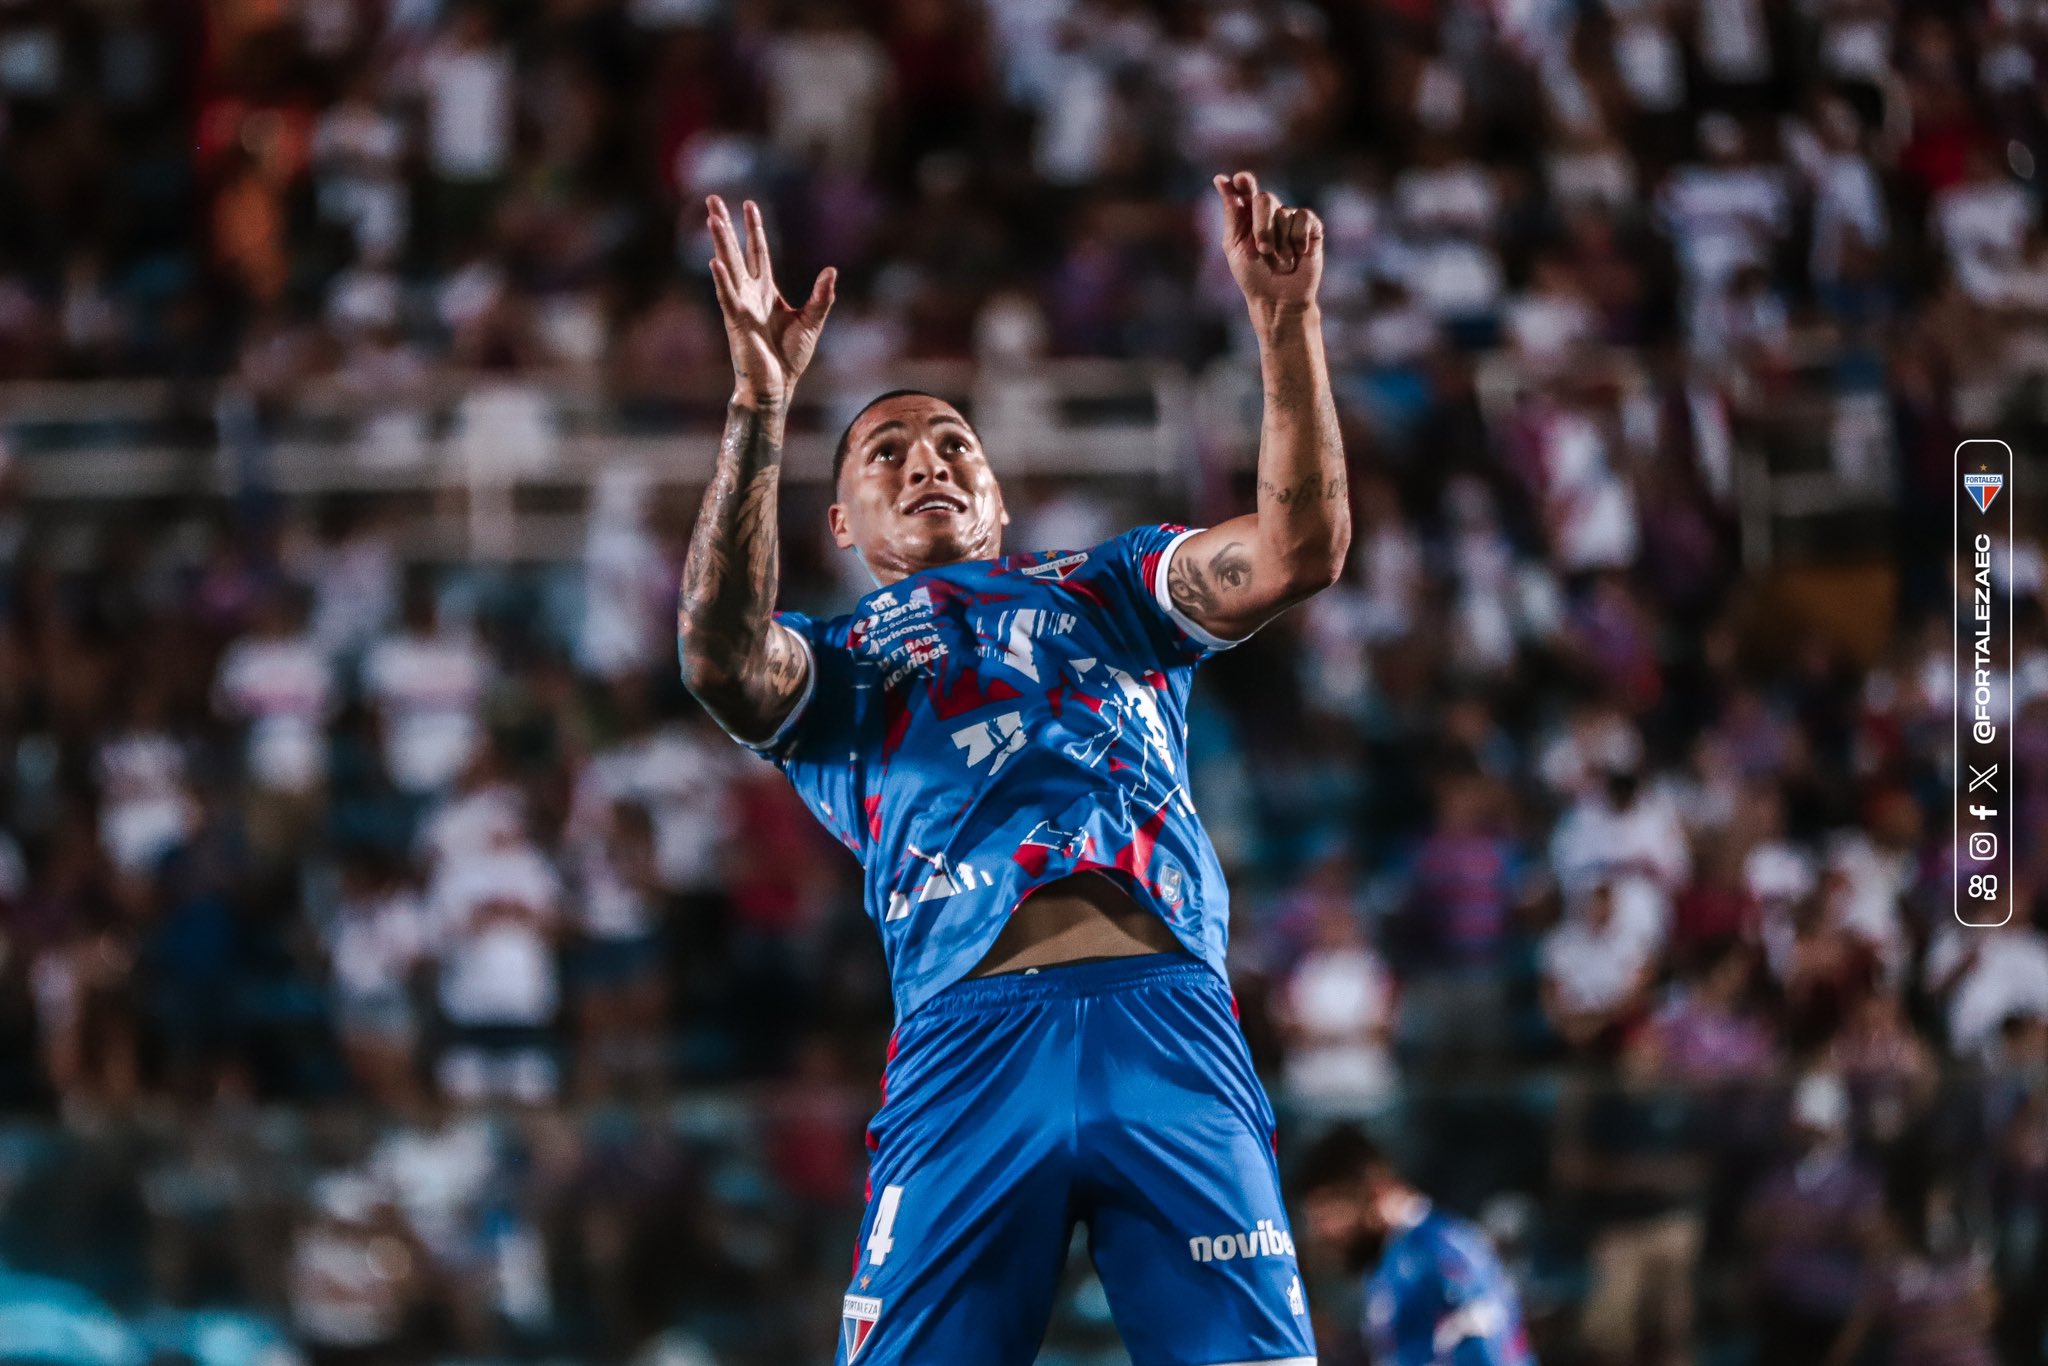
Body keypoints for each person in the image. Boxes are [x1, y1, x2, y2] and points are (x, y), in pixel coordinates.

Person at [678, 176, 1349, 1366]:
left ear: (995, 491)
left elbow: (1296, 550)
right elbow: (719, 654)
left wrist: (1285, 325)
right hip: (967, 1049)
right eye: (886, 450)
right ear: (838, 521)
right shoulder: (836, 671)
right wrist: (757, 409)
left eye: (953, 444)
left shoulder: (1113, 588)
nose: (925, 460)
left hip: (1170, 1027)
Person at [1293, 1123, 1536, 1365]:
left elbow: (1489, 1347)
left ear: (1375, 1192)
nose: (1322, 1233)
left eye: (1329, 1214)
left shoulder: (1434, 1254)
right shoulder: (1398, 1258)